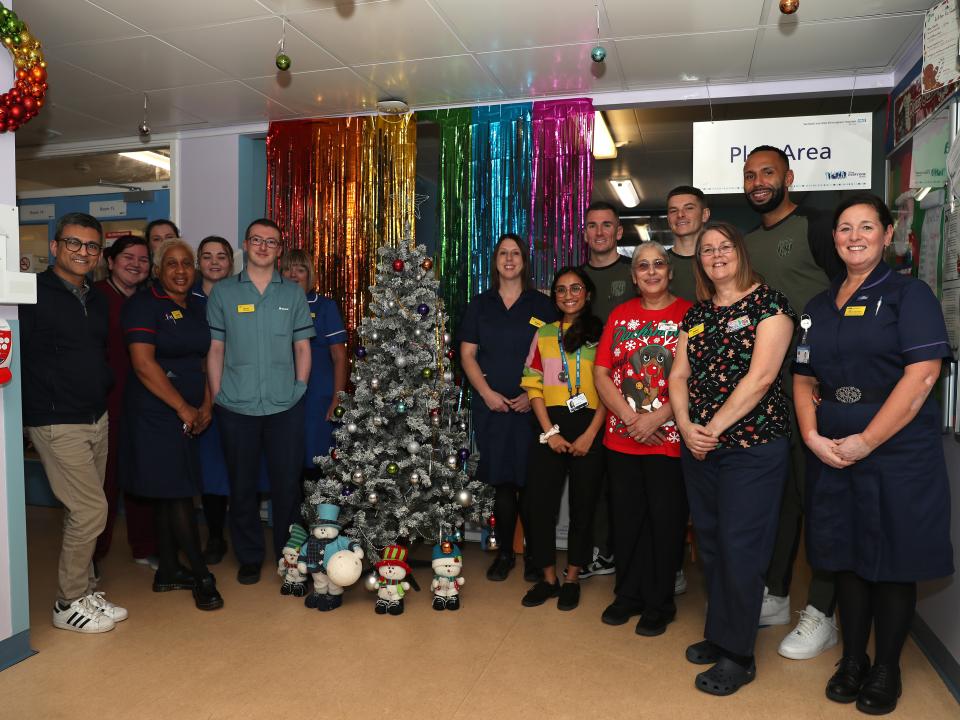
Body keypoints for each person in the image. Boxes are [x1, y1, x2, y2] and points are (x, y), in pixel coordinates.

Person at [793, 194, 954, 715]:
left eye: (866, 227)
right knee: (844, 558)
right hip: (832, 446)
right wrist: (814, 437)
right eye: (845, 228)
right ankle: (852, 660)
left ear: (888, 235)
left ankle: (887, 666)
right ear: (834, 240)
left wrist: (867, 441)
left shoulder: (911, 296)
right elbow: (802, 379)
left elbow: (923, 374)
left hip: (896, 448)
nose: (854, 236)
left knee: (891, 560)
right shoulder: (818, 308)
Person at [669, 221, 795, 696]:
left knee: (742, 550)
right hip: (699, 446)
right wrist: (686, 428)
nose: (716, 254)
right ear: (698, 260)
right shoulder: (697, 315)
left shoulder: (771, 304)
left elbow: (761, 379)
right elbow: (678, 375)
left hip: (753, 448)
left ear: (739, 252)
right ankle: (722, 633)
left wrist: (712, 430)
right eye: (707, 250)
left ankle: (739, 656)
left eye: (724, 246)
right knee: (715, 547)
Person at [743, 145, 844, 660]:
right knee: (783, 499)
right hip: (769, 393)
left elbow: (847, 290)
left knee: (820, 498)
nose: (758, 181)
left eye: (768, 173)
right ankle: (777, 595)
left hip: (817, 388)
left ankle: (823, 612)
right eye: (750, 175)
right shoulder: (746, 244)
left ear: (788, 177)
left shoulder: (817, 226)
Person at [21, 212, 128, 633]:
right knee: (90, 509)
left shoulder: (96, 297)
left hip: (94, 415)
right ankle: (68, 603)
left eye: (91, 246)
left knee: (84, 510)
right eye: (73, 243)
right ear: (54, 247)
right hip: (55, 419)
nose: (82, 252)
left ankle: (84, 591)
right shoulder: (32, 294)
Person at [206, 218, 314, 585]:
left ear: (280, 249)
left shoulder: (293, 294)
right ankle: (249, 556)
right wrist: (218, 395)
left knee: (287, 485)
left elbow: (302, 346)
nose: (264, 247)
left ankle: (289, 555)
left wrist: (299, 388)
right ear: (245, 244)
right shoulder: (223, 293)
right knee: (242, 486)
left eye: (271, 242)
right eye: (257, 240)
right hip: (236, 406)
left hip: (286, 406)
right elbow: (216, 348)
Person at [594, 242, 692, 636]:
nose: (651, 272)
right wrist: (631, 417)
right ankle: (627, 595)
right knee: (627, 520)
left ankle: (659, 602)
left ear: (669, 271)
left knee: (664, 522)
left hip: (668, 438)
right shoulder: (619, 315)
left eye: (658, 264)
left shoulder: (689, 315)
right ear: (633, 277)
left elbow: (694, 376)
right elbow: (602, 373)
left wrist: (656, 418)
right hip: (622, 438)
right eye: (642, 266)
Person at [120, 239, 223, 610]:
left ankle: (167, 571)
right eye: (171, 264)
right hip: (155, 414)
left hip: (194, 410)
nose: (180, 271)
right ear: (158, 271)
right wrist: (183, 408)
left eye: (186, 264)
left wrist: (207, 404)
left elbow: (207, 358)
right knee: (178, 491)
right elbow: (143, 364)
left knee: (170, 491)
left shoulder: (199, 304)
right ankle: (201, 575)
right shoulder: (143, 306)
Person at [460, 233, 557, 582]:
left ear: (524, 262)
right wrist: (486, 393)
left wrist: (532, 395)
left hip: (532, 408)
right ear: (496, 260)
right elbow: (468, 355)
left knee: (531, 485)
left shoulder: (542, 306)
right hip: (493, 409)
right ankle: (504, 553)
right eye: (503, 253)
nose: (510, 259)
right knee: (502, 483)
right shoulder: (480, 305)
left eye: (516, 253)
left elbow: (553, 356)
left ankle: (534, 555)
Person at [519, 267, 605, 611]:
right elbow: (532, 384)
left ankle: (572, 577)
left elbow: (610, 388)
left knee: (584, 506)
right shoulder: (544, 334)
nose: (568, 295)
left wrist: (589, 435)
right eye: (560, 290)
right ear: (554, 297)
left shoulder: (603, 333)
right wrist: (549, 432)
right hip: (549, 424)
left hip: (590, 426)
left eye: (575, 288)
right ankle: (549, 578)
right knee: (539, 505)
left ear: (587, 293)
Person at [92, 235, 157, 573]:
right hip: (105, 404)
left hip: (145, 404)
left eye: (143, 259)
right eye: (128, 257)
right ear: (111, 261)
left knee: (142, 476)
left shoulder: (150, 300)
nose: (135, 264)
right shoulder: (95, 298)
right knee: (103, 483)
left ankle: (144, 547)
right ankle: (93, 556)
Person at [579, 200, 635, 579]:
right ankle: (597, 552)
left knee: (623, 485)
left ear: (618, 232)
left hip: (629, 396)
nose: (599, 232)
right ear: (585, 233)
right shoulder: (573, 280)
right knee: (591, 483)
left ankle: (623, 552)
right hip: (582, 397)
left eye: (607, 225)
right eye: (592, 226)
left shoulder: (635, 275)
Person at [280, 248, 348, 473]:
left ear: (310, 275)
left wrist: (337, 399)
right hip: (281, 395)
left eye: (300, 270)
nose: (293, 275)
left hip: (318, 396)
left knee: (317, 463)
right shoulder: (274, 305)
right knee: (286, 462)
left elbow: (339, 357)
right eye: (288, 269)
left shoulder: (325, 306)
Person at [191, 236, 236, 564]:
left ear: (231, 263)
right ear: (198, 263)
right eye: (207, 257)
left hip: (237, 392)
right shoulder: (185, 298)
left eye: (221, 256)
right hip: (197, 393)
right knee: (210, 470)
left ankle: (243, 535)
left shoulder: (241, 294)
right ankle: (216, 536)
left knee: (240, 467)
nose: (215, 262)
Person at [666, 185, 710, 303]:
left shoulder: (719, 260)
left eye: (689, 208)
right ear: (668, 219)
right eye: (673, 210)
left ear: (704, 215)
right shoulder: (658, 264)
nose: (680, 215)